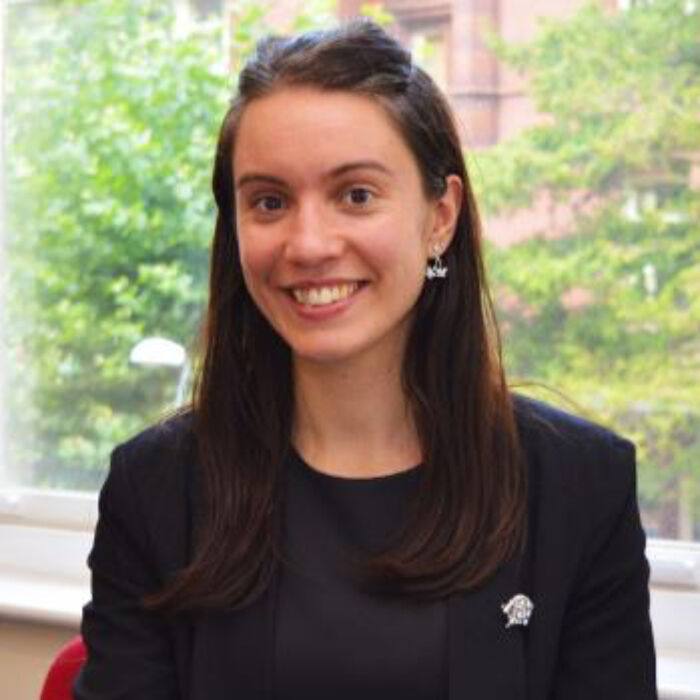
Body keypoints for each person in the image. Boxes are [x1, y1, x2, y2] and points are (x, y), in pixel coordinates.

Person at [74, 20, 657, 700]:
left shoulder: (579, 487)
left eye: (356, 195)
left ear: (440, 216)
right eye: (269, 202)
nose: (308, 244)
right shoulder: (154, 489)